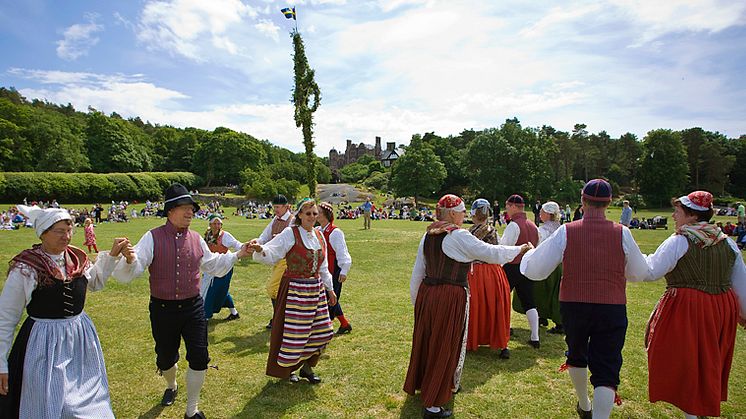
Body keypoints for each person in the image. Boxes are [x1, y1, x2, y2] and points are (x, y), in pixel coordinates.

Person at [112, 183, 251, 419]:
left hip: (193, 307)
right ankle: (171, 385)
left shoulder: (197, 239)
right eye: (183, 207)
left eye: (191, 208)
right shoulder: (152, 237)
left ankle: (192, 409)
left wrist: (238, 253)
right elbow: (136, 266)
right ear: (169, 211)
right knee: (165, 358)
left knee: (199, 356)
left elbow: (212, 264)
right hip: (162, 309)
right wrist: (128, 258)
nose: (189, 212)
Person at [520, 179, 650, 419]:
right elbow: (639, 273)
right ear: (609, 203)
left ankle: (585, 404)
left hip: (574, 304)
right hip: (611, 305)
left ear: (582, 201)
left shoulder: (566, 231)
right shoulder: (623, 233)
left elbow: (535, 270)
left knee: (577, 354)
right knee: (607, 369)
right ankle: (593, 410)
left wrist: (528, 256)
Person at [404, 194, 531, 418]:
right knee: (445, 344)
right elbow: (491, 253)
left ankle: (427, 385)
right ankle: (433, 404)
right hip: (449, 296)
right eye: (463, 212)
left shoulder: (429, 234)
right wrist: (519, 250)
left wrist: (418, 302)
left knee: (429, 341)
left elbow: (418, 271)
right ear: (453, 213)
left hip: (428, 293)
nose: (465, 216)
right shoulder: (458, 235)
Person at [0, 205, 128, 418]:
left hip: (79, 339)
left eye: (69, 230)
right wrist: (1, 363)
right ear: (43, 233)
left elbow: (94, 282)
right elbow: (5, 318)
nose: (66, 236)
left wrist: (113, 255)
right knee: (47, 403)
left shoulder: (77, 259)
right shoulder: (27, 266)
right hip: (43, 343)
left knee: (88, 403)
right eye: (59, 231)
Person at [643, 191, 746, 418]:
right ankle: (699, 408)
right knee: (708, 360)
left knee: (686, 361)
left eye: (677, 212)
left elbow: (651, 271)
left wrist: (630, 259)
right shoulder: (727, 243)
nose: (673, 216)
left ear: (691, 215)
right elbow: (741, 282)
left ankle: (693, 411)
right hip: (720, 309)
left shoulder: (680, 240)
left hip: (688, 308)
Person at [250, 198, 338, 384]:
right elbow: (273, 252)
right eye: (308, 213)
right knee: (294, 335)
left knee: (322, 332)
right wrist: (260, 249)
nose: (312, 217)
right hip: (295, 291)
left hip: (315, 290)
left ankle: (307, 368)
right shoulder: (290, 233)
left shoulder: (319, 235)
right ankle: (289, 370)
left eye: (315, 214)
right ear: (299, 215)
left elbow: (323, 267)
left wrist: (330, 289)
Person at [465, 199, 512, 359]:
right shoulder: (493, 230)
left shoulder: (469, 232)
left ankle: (474, 339)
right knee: (496, 306)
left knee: (475, 306)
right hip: (494, 271)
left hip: (476, 273)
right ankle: (502, 344)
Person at [514, 201, 564, 334]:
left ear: (547, 214)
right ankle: (545, 318)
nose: (540, 214)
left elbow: (538, 247)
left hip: (544, 264)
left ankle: (555, 321)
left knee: (540, 292)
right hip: (558, 266)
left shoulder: (542, 230)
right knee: (553, 293)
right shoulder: (560, 228)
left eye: (542, 212)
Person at [500, 194, 541, 348]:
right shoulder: (533, 226)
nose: (506, 209)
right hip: (527, 267)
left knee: (502, 298)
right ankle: (535, 337)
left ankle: (505, 330)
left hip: (512, 266)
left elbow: (504, 248)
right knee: (529, 301)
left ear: (514, 207)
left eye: (508, 206)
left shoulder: (513, 225)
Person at [251, 195, 294, 330]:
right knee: (281, 290)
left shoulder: (292, 221)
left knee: (273, 288)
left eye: (278, 207)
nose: (275, 209)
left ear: (286, 207)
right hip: (277, 259)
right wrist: (256, 242)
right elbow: (264, 236)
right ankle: (281, 318)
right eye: (274, 207)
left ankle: (278, 318)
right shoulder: (275, 219)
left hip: (287, 261)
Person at [317, 202, 353, 335]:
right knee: (327, 297)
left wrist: (344, 270)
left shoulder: (335, 232)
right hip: (323, 270)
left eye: (318, 212)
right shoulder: (319, 231)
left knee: (330, 298)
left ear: (326, 215)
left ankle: (327, 327)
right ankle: (344, 323)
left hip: (334, 271)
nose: (316, 215)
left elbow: (343, 253)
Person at [201, 215, 243, 321]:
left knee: (213, 289)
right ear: (210, 225)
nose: (217, 226)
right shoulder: (207, 235)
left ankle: (205, 316)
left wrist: (244, 247)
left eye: (219, 223)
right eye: (214, 223)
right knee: (219, 290)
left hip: (224, 266)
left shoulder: (225, 236)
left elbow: (236, 244)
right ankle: (234, 313)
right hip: (212, 265)